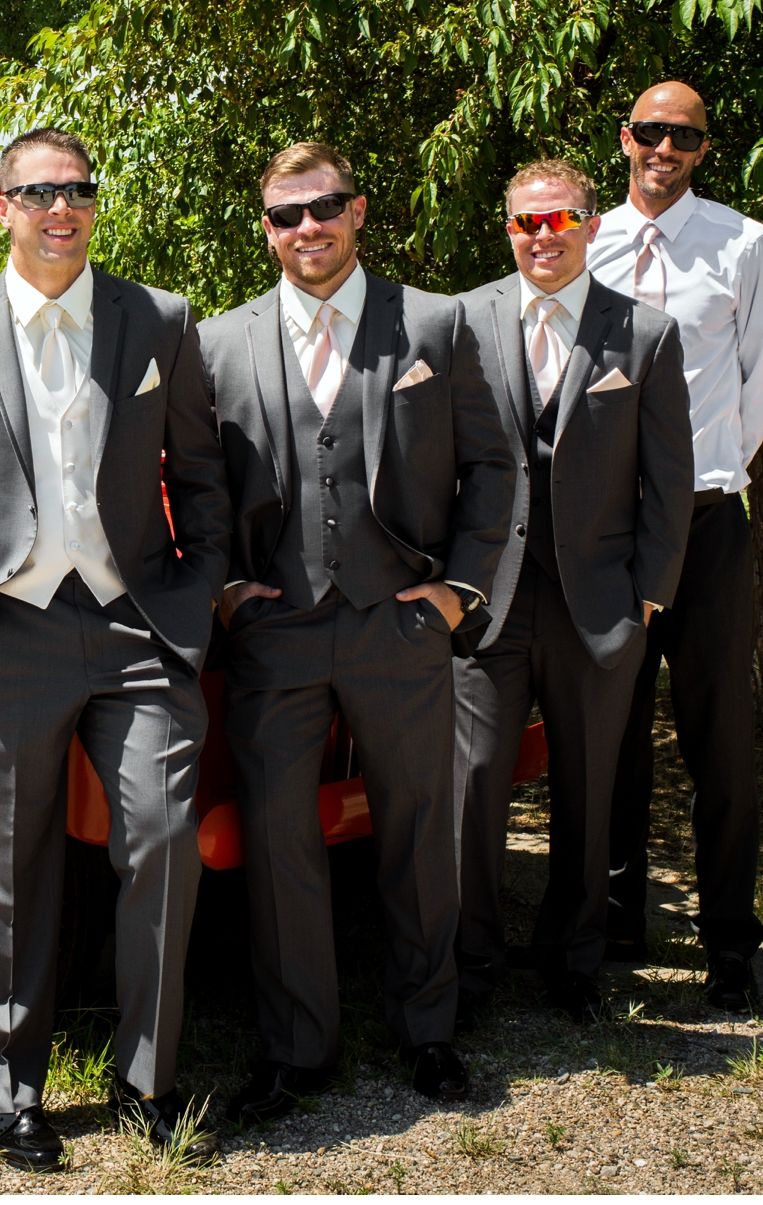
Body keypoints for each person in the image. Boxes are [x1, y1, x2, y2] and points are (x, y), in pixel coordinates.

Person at [0, 128, 232, 1171]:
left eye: (75, 190)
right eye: (36, 192)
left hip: (136, 624)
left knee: (162, 838)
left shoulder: (157, 317)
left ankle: (148, 1078)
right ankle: (11, 1089)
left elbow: (200, 474)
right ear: (3, 208)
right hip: (5, 630)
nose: (58, 208)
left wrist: (195, 589)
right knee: (7, 868)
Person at [200, 143, 515, 1124]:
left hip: (397, 622)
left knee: (421, 833)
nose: (308, 227)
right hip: (276, 631)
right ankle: (298, 1048)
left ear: (358, 210)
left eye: (324, 206)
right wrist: (221, 588)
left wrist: (459, 590)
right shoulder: (219, 340)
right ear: (266, 227)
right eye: (287, 213)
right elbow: (197, 479)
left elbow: (494, 466)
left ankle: (429, 1030)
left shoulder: (432, 321)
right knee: (280, 840)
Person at [451, 159, 694, 1026]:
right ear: (507, 227)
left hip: (601, 605)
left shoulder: (647, 334)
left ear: (592, 225)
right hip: (489, 601)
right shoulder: (461, 323)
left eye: (560, 220)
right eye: (526, 222)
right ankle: (470, 966)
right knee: (473, 786)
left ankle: (574, 964)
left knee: (588, 792)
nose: (542, 236)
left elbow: (670, 480)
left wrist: (648, 598)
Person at [587, 81, 763, 1011]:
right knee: (611, 732)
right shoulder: (583, 242)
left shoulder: (745, 245)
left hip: (706, 522)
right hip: (608, 527)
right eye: (650, 131)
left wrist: (702, 471)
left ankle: (730, 942)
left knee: (721, 740)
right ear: (625, 139)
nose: (664, 147)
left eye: (685, 136)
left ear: (704, 150)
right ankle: (618, 917)